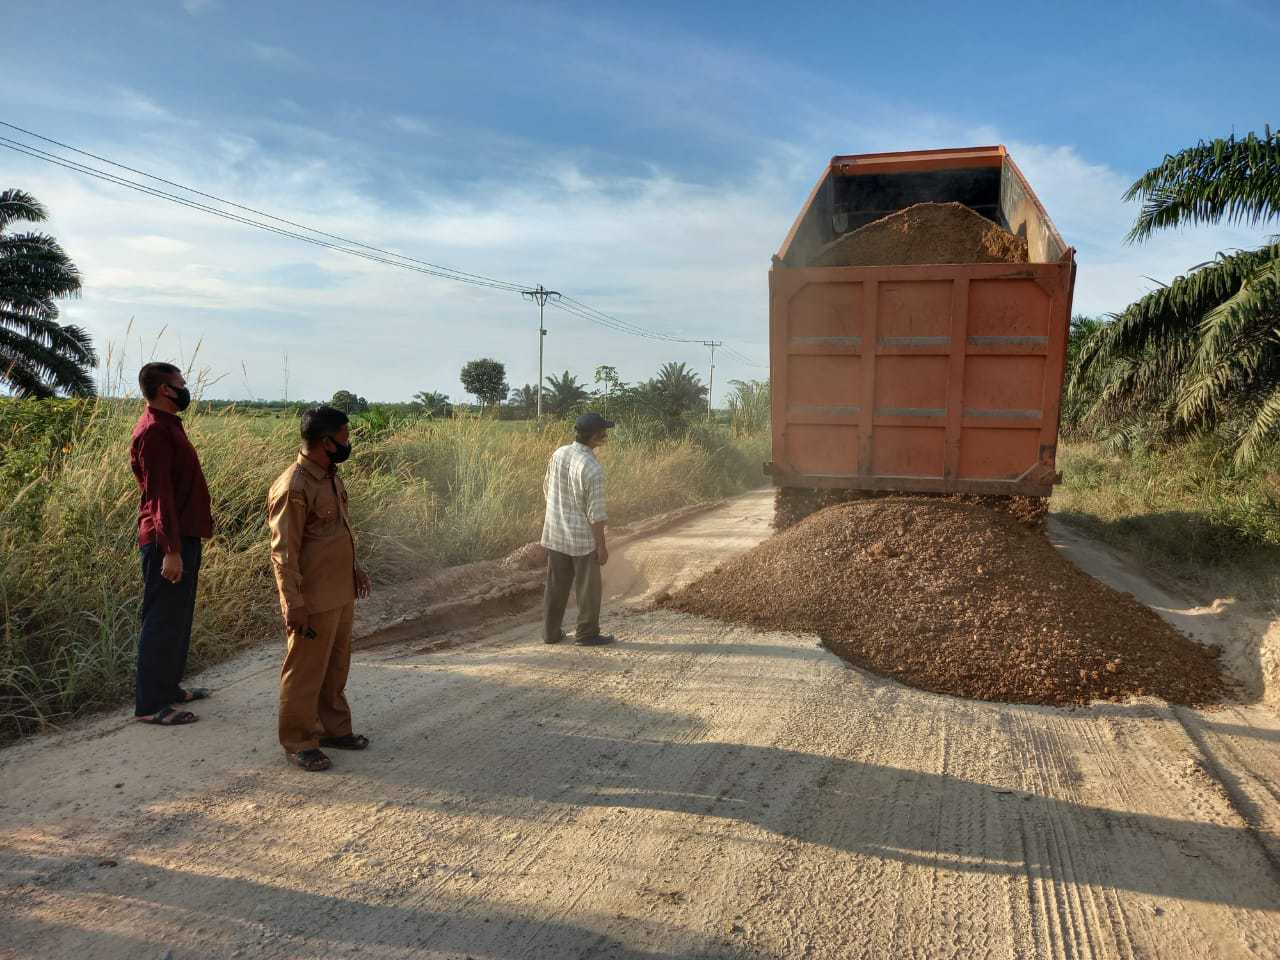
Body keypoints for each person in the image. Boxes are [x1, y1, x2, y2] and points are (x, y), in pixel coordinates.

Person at [268, 405, 372, 772]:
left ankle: (333, 729)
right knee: (306, 669)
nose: (348, 442)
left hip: (339, 592)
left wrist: (354, 569)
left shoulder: (330, 477)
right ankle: (298, 740)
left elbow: (336, 531)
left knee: (335, 665)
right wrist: (292, 602)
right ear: (326, 441)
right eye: (344, 436)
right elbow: (283, 551)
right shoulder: (293, 486)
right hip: (311, 599)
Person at [130, 362, 213, 726]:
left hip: (183, 535)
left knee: (178, 618)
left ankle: (170, 688)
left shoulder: (168, 426)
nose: (184, 389)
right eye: (180, 383)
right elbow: (158, 495)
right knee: (162, 620)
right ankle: (150, 705)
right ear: (165, 389)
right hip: (168, 541)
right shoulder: (154, 432)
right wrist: (172, 550)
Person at [541, 412, 616, 647]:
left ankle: (550, 633)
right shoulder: (592, 468)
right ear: (595, 437)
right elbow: (596, 514)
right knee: (589, 589)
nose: (606, 435)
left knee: (556, 586)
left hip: (555, 532)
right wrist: (601, 547)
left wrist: (558, 514)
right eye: (603, 432)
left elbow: (547, 489)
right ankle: (586, 634)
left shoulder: (559, 453)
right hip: (582, 539)